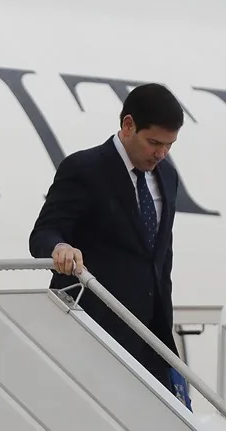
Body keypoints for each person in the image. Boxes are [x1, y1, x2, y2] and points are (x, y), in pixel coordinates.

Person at [28, 83, 183, 395]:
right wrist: (61, 248)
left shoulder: (166, 176)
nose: (161, 154)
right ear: (128, 125)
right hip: (93, 332)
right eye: (154, 142)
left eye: (169, 145)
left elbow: (159, 256)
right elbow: (43, 233)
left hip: (151, 338)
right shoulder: (85, 169)